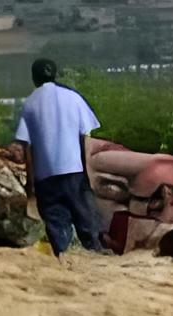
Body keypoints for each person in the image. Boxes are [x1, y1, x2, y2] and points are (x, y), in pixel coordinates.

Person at [10, 59, 109, 258]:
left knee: (57, 224)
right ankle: (96, 256)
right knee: (86, 219)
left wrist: (30, 186)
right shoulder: (73, 98)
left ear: (34, 77)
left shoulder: (30, 104)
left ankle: (64, 262)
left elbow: (29, 148)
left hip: (45, 176)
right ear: (55, 74)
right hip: (75, 171)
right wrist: (87, 173)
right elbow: (85, 138)